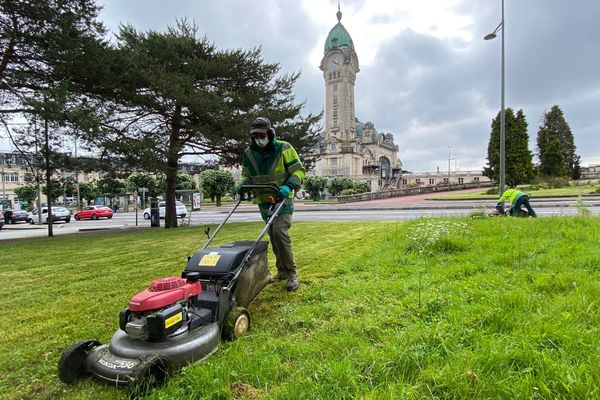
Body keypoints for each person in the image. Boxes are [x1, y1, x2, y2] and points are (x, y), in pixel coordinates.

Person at [236, 117, 305, 291]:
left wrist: (288, 186)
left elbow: (298, 171)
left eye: (261, 134)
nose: (258, 138)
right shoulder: (249, 153)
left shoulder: (284, 148)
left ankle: (291, 274)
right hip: (264, 201)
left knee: (280, 233)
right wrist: (243, 184)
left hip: (283, 197)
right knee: (273, 236)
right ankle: (281, 271)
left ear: (270, 133)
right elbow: (246, 174)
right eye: (254, 135)